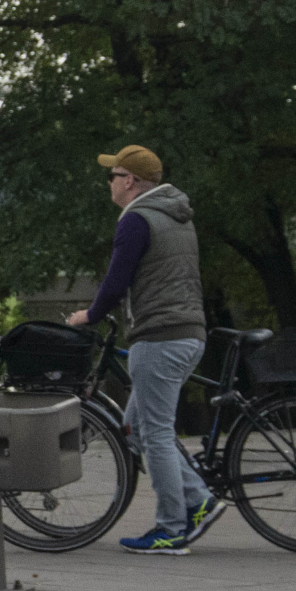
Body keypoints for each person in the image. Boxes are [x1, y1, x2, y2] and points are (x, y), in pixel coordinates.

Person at [67, 144, 217, 554]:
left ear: (130, 181)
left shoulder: (137, 220)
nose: (109, 183)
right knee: (134, 431)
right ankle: (199, 500)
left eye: (113, 176)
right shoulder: (176, 216)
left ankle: (171, 528)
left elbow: (116, 283)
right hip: (189, 334)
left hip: (160, 337)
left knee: (155, 433)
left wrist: (89, 315)